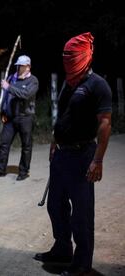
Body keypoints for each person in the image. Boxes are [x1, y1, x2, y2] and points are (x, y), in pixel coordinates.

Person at [34, 32, 112, 276]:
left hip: (82, 155)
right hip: (61, 155)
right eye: (65, 55)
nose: (68, 59)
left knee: (81, 212)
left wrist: (97, 160)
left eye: (73, 55)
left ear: (86, 56)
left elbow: (105, 123)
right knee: (55, 205)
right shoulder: (70, 82)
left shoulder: (97, 85)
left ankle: (82, 264)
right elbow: (64, 116)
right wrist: (55, 142)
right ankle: (62, 248)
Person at [0, 55, 39, 181]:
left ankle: (23, 171)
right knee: (4, 144)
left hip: (25, 118)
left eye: (21, 66)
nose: (19, 68)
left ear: (28, 66)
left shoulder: (33, 80)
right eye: (17, 65)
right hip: (10, 118)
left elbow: (25, 94)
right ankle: (1, 169)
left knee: (26, 146)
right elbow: (6, 97)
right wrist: (3, 112)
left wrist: (9, 87)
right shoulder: (12, 78)